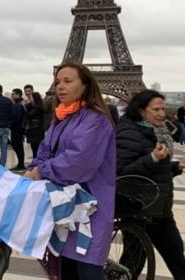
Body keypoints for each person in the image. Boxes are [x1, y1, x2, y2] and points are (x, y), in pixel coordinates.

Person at [24, 63, 115, 279]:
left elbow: (78, 162)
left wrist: (41, 170)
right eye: (57, 82)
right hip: (65, 204)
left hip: (89, 205)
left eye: (68, 81)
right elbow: (45, 149)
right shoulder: (62, 117)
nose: (60, 87)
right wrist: (34, 168)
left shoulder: (95, 119)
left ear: (85, 86)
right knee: (67, 269)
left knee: (87, 270)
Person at [116, 90, 185, 280]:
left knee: (176, 261)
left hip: (158, 208)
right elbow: (122, 173)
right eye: (156, 109)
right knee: (133, 265)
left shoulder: (155, 130)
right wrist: (153, 158)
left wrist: (177, 166)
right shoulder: (128, 133)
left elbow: (155, 169)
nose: (162, 113)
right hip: (139, 209)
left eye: (163, 108)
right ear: (141, 110)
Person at [23, 84, 45, 159]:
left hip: (35, 128)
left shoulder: (37, 106)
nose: (28, 94)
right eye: (26, 91)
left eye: (29, 91)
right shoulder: (35, 105)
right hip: (34, 128)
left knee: (36, 147)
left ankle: (37, 163)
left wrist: (25, 107)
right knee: (35, 147)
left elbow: (29, 115)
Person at [9, 88, 27, 171]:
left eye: (14, 94)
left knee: (17, 146)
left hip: (17, 128)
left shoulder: (18, 104)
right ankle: (20, 163)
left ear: (19, 95)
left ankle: (21, 164)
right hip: (17, 128)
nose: (12, 95)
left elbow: (17, 117)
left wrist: (10, 123)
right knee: (17, 146)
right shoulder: (18, 104)